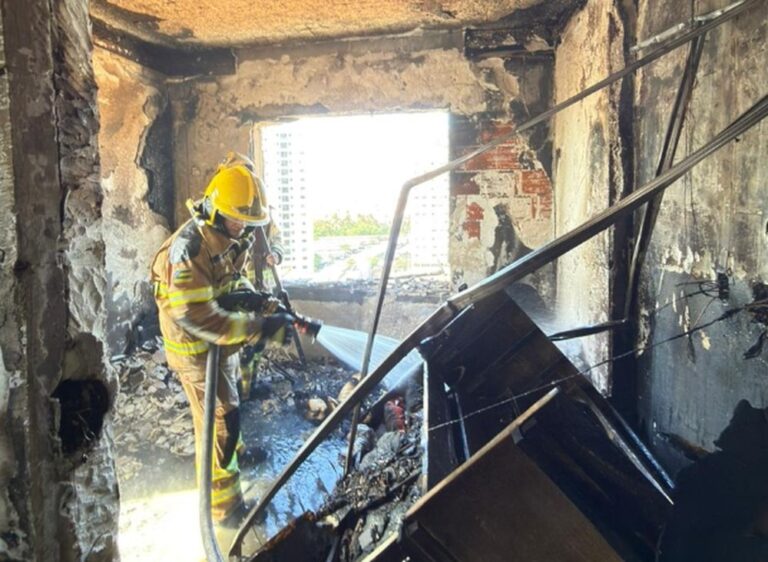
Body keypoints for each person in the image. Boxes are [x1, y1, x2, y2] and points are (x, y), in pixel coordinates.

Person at [150, 152, 291, 528]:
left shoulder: (228, 234)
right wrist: (260, 328)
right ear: (213, 211)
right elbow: (198, 316)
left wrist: (257, 300)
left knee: (231, 406)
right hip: (195, 351)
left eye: (249, 223)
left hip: (220, 345)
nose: (244, 229)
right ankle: (223, 509)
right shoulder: (187, 251)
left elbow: (228, 281)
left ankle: (237, 456)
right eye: (238, 220)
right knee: (220, 422)